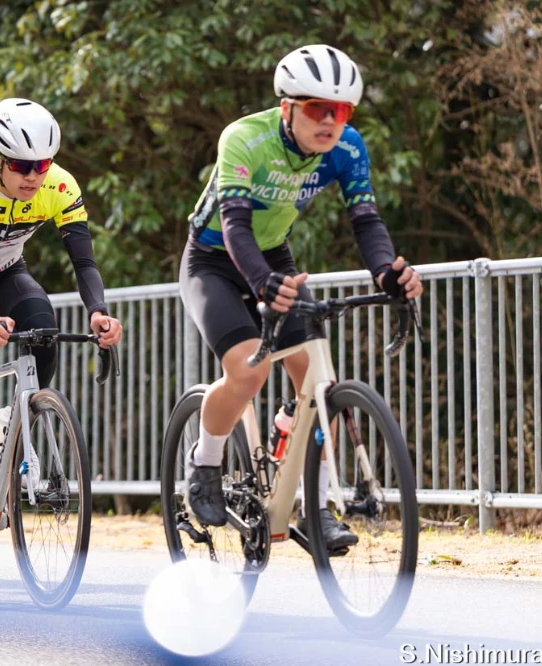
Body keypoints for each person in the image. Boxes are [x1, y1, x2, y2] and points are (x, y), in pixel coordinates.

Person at [180, 45, 424, 549]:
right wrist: (261, 283)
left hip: (274, 257)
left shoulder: (347, 148)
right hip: (213, 260)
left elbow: (366, 220)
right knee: (249, 371)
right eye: (317, 109)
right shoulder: (245, 138)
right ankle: (205, 461)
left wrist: (386, 273)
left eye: (342, 111)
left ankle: (315, 507)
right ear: (287, 107)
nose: (330, 121)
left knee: (316, 379)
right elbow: (234, 225)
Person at [0, 98, 122, 565]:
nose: (34, 176)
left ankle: (7, 427)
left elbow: (84, 262)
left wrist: (98, 311)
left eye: (43, 164)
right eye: (22, 166)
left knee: (44, 331)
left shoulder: (60, 186)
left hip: (6, 274)